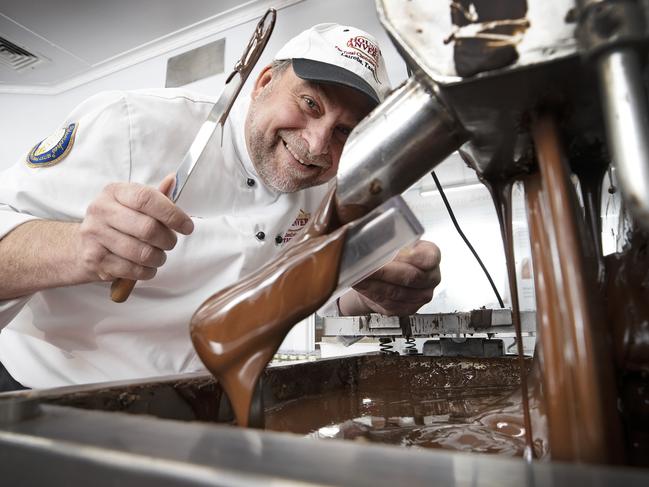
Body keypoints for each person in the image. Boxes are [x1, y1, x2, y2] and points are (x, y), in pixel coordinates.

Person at [0, 23, 441, 391]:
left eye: (345, 131)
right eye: (310, 104)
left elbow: (298, 301)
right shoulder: (132, 124)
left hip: (198, 410)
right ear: (264, 82)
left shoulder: (327, 193)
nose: (316, 145)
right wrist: (78, 248)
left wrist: (369, 296)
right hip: (49, 395)